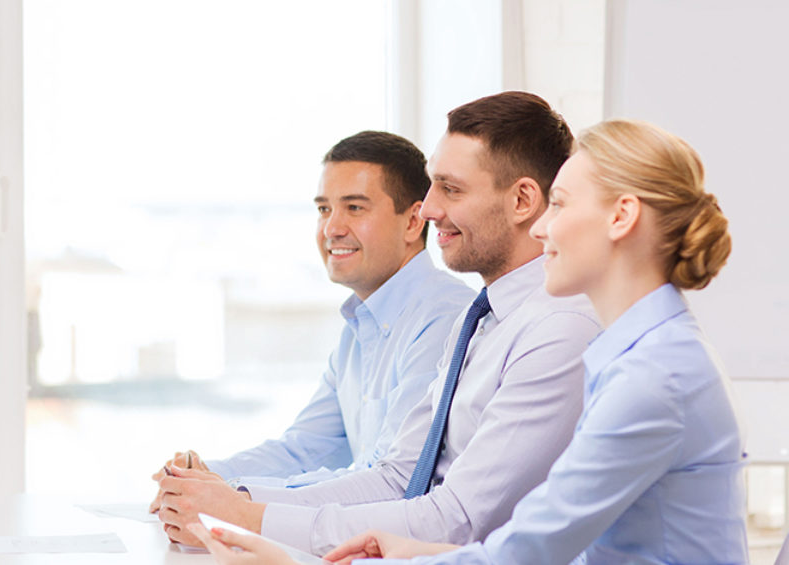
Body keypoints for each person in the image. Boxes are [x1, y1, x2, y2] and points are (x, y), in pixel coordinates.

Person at [190, 119, 748, 564]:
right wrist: (417, 553)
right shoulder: (633, 354)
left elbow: (530, 549)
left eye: (560, 204)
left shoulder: (653, 375)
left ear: (621, 217)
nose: (543, 228)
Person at [157, 92, 601, 554]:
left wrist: (246, 513)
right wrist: (235, 499)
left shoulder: (557, 328)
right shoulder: (480, 322)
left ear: (523, 200)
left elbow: (456, 520)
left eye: (450, 189)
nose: (428, 209)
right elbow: (399, 478)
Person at [149, 131, 473, 496]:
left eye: (354, 208)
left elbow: (396, 483)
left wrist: (237, 497)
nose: (331, 229)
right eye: (324, 209)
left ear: (414, 222)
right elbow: (304, 448)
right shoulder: (359, 328)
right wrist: (203, 475)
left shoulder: (443, 317)